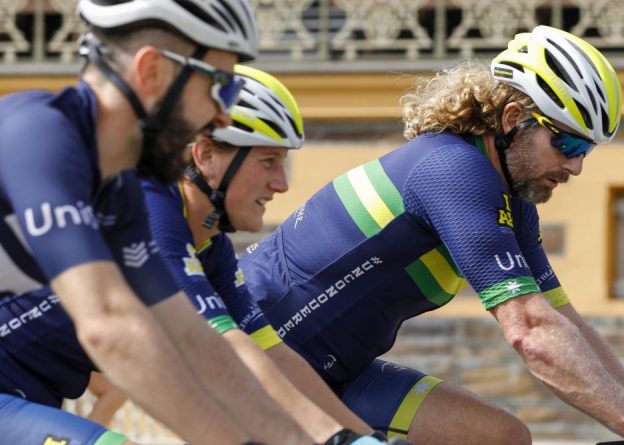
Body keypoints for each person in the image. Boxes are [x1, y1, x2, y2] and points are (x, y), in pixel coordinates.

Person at [239, 26, 624, 445]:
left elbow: (564, 322)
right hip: (260, 364)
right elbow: (530, 333)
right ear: (514, 119)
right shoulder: (452, 171)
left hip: (342, 374)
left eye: (587, 149)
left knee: (501, 438)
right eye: (566, 141)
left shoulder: (513, 200)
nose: (577, 165)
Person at [0, 1, 361, 444]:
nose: (223, 117)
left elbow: (195, 342)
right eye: (221, 88)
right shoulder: (39, 133)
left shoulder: (120, 192)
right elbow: (108, 326)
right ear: (152, 71)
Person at [137, 64, 403, 444]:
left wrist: (366, 437)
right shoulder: (150, 210)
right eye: (267, 161)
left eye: (283, 161)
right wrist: (336, 439)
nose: (281, 184)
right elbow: (226, 349)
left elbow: (274, 355)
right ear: (206, 155)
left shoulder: (211, 248)